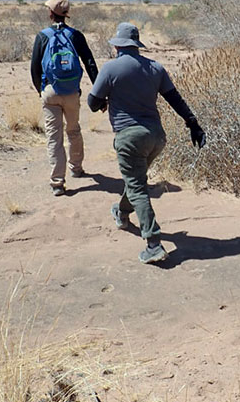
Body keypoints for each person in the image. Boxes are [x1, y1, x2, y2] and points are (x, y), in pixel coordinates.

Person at [87, 22, 206, 264]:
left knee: (137, 187)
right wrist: (193, 123)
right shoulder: (155, 68)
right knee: (136, 181)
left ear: (118, 45)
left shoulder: (110, 69)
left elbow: (91, 102)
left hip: (129, 137)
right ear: (136, 45)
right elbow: (175, 99)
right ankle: (121, 213)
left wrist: (105, 102)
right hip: (156, 137)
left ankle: (153, 242)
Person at [30, 0, 99, 196]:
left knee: (54, 137)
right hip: (71, 92)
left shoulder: (42, 36)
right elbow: (90, 63)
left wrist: (41, 90)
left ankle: (57, 183)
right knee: (74, 130)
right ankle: (76, 168)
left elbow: (34, 68)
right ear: (66, 14)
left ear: (51, 13)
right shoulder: (76, 35)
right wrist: (99, 92)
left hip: (50, 91)